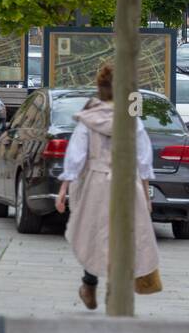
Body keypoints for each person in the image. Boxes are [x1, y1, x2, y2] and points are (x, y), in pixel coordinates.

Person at [54, 63, 160, 310]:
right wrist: (146, 193)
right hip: (126, 182)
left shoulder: (88, 120)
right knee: (125, 234)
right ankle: (115, 288)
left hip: (97, 183)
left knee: (94, 233)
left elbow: (76, 156)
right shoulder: (132, 120)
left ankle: (89, 283)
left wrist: (63, 189)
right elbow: (143, 157)